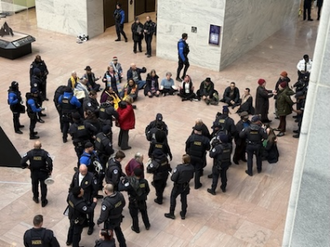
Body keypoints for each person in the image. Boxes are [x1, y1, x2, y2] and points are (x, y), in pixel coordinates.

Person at [21, 141, 53, 207]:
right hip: (43, 173)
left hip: (34, 172)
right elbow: (50, 162)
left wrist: (27, 166)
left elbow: (22, 162)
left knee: (34, 185)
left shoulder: (30, 153)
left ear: (34, 146)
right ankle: (43, 201)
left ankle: (36, 198)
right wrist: (50, 170)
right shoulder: (44, 153)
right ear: (41, 146)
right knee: (43, 186)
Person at [69, 164, 98, 236]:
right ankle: (84, 223)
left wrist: (92, 199)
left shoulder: (91, 177)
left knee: (90, 214)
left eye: (85, 171)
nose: (84, 172)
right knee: (81, 213)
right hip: (78, 198)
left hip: (87, 199)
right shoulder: (76, 175)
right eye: (82, 171)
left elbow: (95, 189)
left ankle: (91, 226)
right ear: (79, 170)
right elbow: (72, 185)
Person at [120, 168, 151, 233]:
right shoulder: (144, 181)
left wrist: (121, 182)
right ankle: (147, 225)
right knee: (144, 213)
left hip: (133, 202)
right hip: (142, 201)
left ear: (134, 173)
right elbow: (148, 190)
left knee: (134, 216)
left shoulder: (130, 183)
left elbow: (121, 188)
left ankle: (136, 228)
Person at [164, 154, 194, 220]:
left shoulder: (179, 167)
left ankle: (171, 213)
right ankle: (183, 213)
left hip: (178, 186)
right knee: (184, 199)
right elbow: (191, 176)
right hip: (186, 186)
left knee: (173, 197)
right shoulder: (191, 167)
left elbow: (173, 178)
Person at [185, 124, 211, 189]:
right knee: (197, 171)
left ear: (196, 131)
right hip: (200, 157)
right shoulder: (205, 139)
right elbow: (208, 148)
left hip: (191, 157)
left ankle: (186, 183)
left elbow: (187, 145)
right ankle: (197, 185)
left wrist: (187, 153)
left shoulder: (191, 137)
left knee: (189, 169)